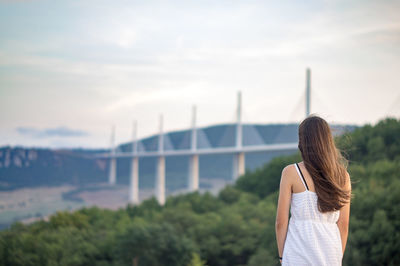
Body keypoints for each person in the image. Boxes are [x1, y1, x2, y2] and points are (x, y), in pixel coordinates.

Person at [275, 115, 352, 265]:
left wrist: (282, 257)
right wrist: (337, 257)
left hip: (297, 256)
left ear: (302, 141)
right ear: (327, 140)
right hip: (331, 256)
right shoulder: (343, 177)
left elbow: (280, 222)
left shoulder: (291, 172)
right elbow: (344, 225)